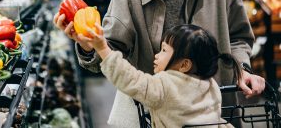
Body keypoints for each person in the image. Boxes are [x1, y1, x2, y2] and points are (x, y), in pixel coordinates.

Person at [54, 0, 265, 126]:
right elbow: (111, 50)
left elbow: (238, 36)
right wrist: (90, 46)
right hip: (153, 118)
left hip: (212, 113)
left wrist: (242, 69)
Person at [84, 24, 238, 127]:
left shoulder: (164, 86)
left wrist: (103, 48)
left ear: (184, 65)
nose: (157, 55)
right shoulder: (210, 84)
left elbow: (130, 79)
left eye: (164, 50)